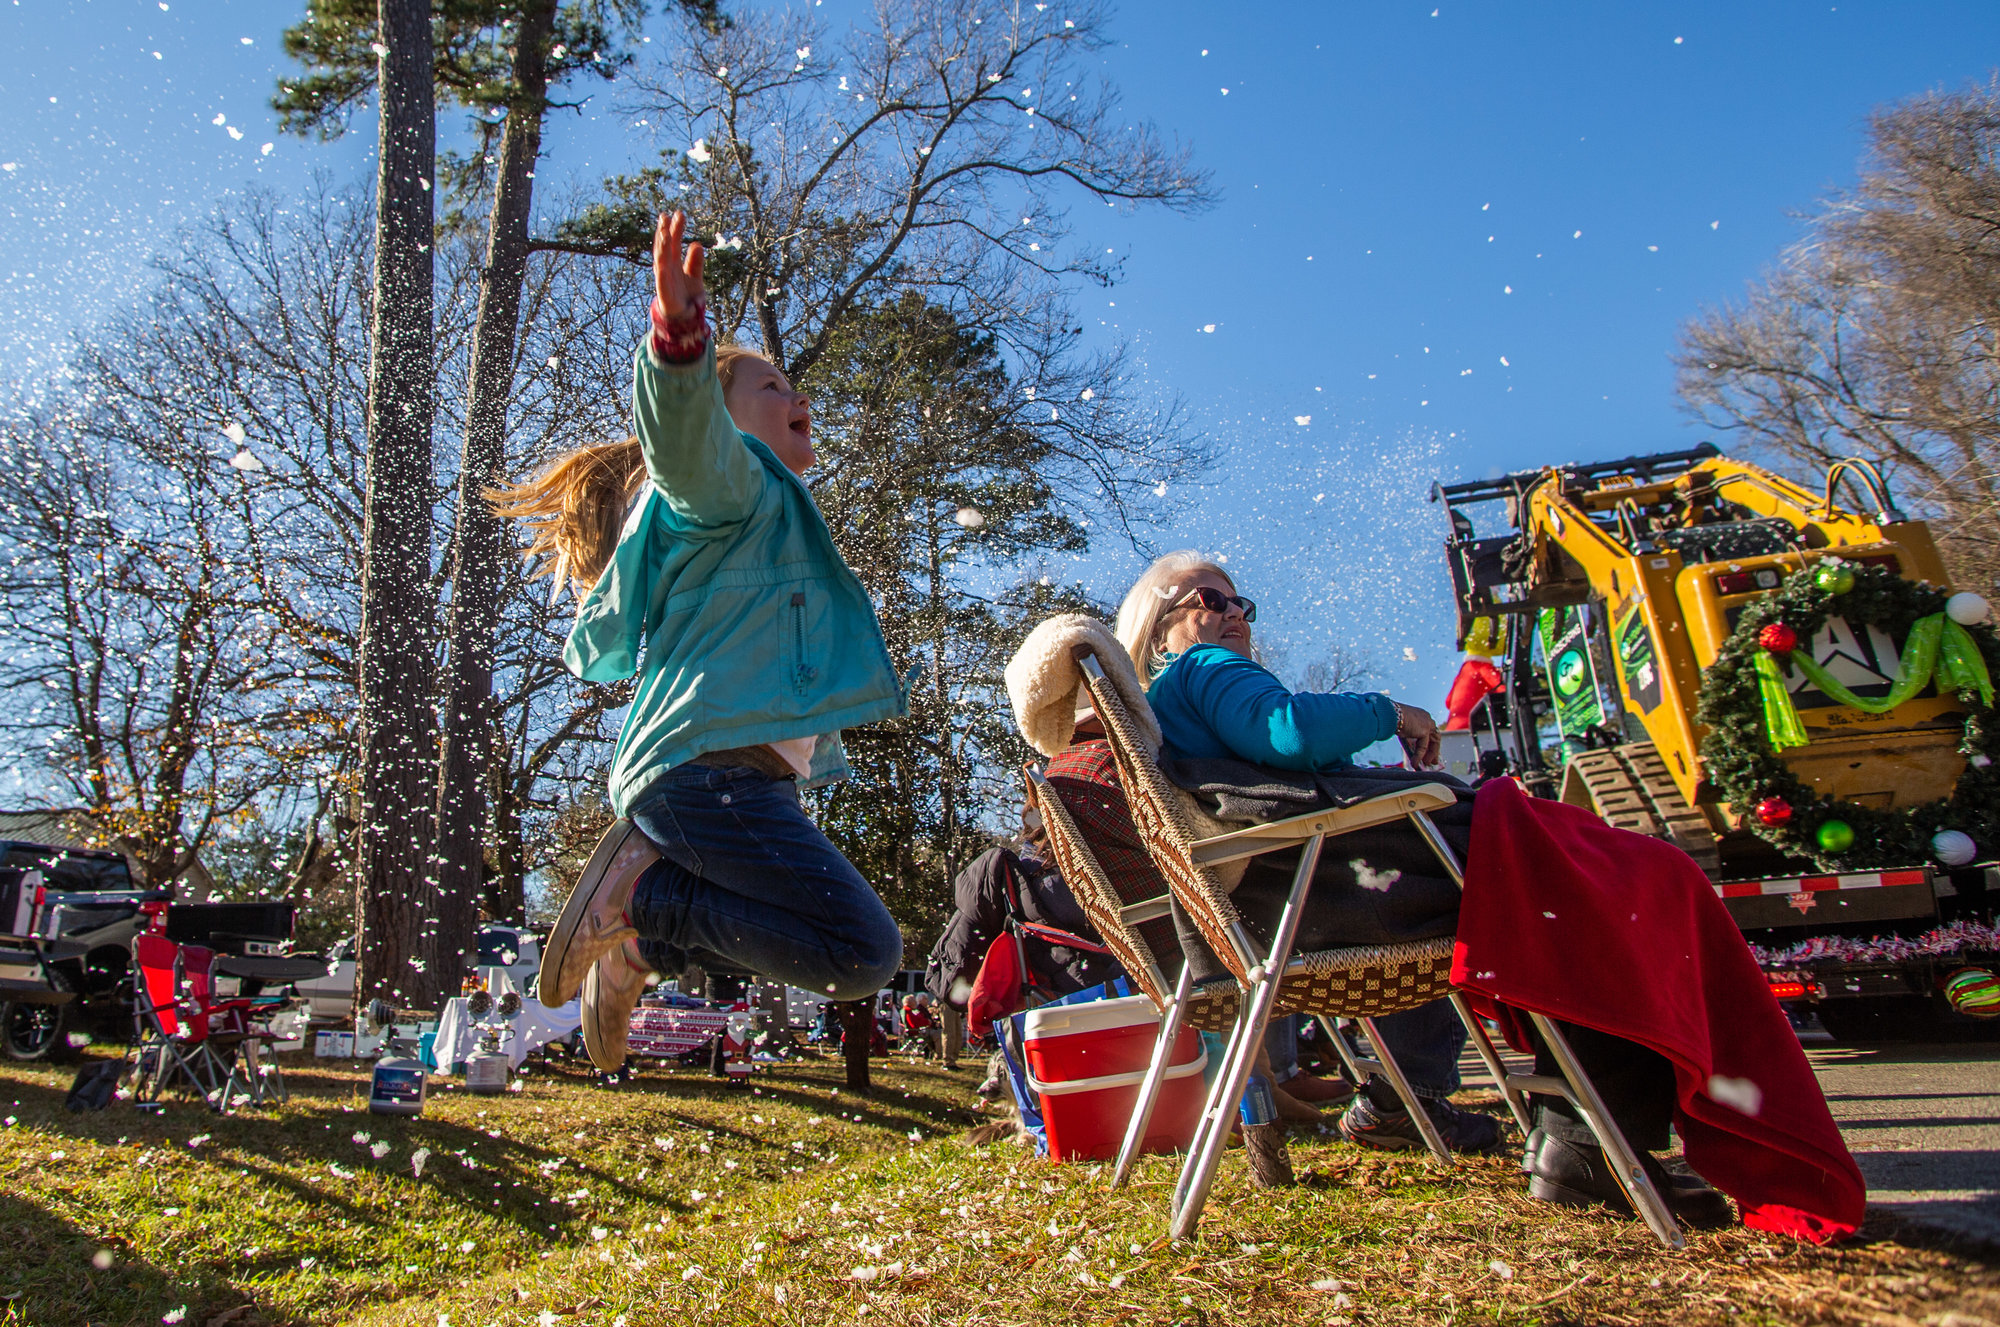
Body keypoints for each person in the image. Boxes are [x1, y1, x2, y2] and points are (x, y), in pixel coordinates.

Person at [1110, 550, 1729, 1225]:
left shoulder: (1165, 710)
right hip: (1353, 883)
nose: (1233, 613)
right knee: (1621, 881)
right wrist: (1391, 711)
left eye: (1241, 604)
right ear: (1159, 625)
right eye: (1210, 598)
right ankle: (1585, 1145)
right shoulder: (1201, 666)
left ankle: (1575, 1143)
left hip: (1301, 899)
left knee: (1590, 888)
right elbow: (1286, 731)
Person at [500, 211, 906, 1070]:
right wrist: (680, 345)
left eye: (795, 389)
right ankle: (646, 905)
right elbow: (686, 446)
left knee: (823, 940)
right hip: (706, 773)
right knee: (858, 950)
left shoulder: (763, 518)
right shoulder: (730, 484)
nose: (799, 401)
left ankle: (641, 945)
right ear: (723, 421)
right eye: (771, 388)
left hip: (727, 780)